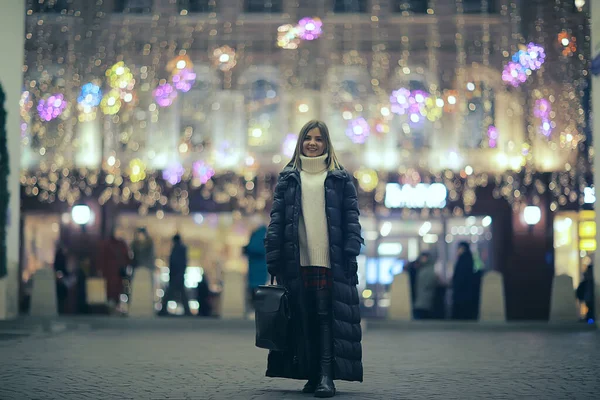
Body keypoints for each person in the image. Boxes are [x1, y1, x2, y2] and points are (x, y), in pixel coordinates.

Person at [264, 120, 364, 398]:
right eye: (308, 137)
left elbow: (351, 219)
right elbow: (277, 221)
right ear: (300, 142)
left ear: (326, 144)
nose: (312, 143)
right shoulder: (289, 178)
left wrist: (351, 249)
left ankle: (325, 376)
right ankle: (312, 373)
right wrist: (273, 257)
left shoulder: (340, 178)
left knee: (324, 317)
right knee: (303, 316)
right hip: (297, 261)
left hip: (330, 261)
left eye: (318, 139)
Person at [159, 234, 191, 316]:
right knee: (182, 295)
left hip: (176, 276)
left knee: (169, 294)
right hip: (179, 276)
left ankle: (163, 310)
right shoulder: (182, 249)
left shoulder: (177, 249)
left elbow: (174, 263)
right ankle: (187, 311)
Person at [243, 224, 268, 314]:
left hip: (258, 268)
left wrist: (246, 249)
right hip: (256, 268)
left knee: (256, 290)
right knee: (256, 290)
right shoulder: (260, 233)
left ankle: (257, 310)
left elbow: (256, 248)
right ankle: (257, 310)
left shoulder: (260, 233)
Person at [452, 241, 476, 320]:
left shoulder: (464, 260)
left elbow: (461, 277)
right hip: (465, 292)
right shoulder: (467, 259)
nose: (458, 250)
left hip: (462, 292)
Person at [412, 252, 438, 320]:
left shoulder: (428, 269)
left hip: (425, 299)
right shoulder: (422, 269)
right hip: (422, 298)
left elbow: (429, 283)